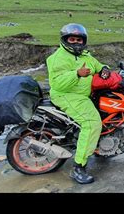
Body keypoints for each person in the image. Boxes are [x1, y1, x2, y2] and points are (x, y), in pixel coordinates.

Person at [46, 23, 110, 184]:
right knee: (92, 123)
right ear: (65, 40)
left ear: (83, 41)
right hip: (67, 95)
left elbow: (97, 66)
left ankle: (97, 148)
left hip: (84, 95)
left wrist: (104, 69)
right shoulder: (57, 58)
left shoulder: (85, 56)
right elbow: (57, 84)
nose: (75, 42)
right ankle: (78, 167)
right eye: (72, 39)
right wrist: (77, 74)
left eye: (79, 40)